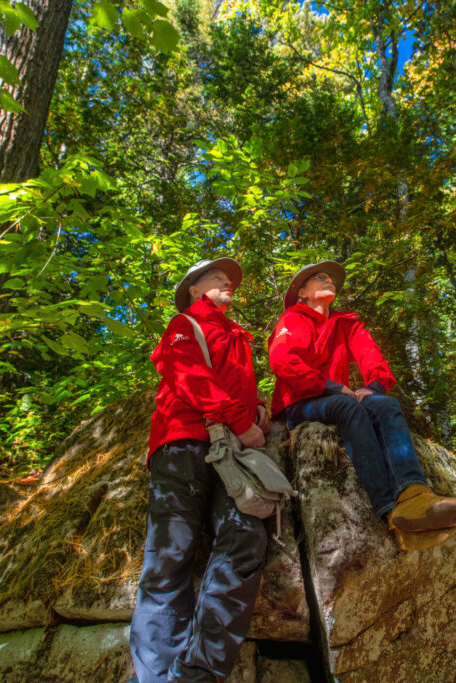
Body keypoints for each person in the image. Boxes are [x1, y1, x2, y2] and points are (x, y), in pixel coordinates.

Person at [129, 257, 271, 682]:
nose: (228, 282)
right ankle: (156, 676)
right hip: (183, 444)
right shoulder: (183, 325)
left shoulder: (235, 335)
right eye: (217, 277)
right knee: (171, 556)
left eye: (229, 279)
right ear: (194, 289)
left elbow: (230, 383)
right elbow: (187, 375)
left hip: (231, 453)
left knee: (247, 539)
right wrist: (240, 419)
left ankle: (196, 675)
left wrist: (257, 408)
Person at [268, 260, 456, 551]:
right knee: (347, 407)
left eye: (331, 279)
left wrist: (373, 386)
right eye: (320, 278)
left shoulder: (346, 322)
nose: (329, 282)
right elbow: (283, 362)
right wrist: (332, 386)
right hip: (298, 403)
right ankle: (389, 509)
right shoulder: (292, 319)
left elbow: (372, 356)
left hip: (336, 397)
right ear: (302, 292)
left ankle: (413, 494)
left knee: (385, 405)